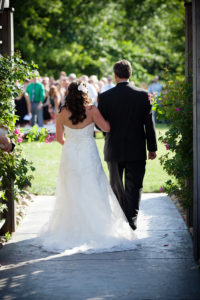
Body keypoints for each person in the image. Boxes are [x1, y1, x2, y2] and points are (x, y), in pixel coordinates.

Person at [35, 81, 136, 255]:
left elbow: (59, 139)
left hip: (70, 155)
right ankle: (99, 226)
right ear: (85, 93)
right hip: (88, 153)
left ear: (69, 94)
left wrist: (72, 144)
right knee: (93, 187)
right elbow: (106, 128)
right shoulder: (91, 110)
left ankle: (70, 228)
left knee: (71, 190)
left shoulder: (63, 112)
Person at [98, 60, 157, 230]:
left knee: (116, 186)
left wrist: (107, 134)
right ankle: (131, 220)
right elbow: (149, 124)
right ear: (130, 74)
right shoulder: (142, 95)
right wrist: (151, 148)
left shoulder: (105, 97)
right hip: (136, 148)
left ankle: (119, 220)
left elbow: (101, 125)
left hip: (113, 148)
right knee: (135, 186)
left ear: (115, 76)